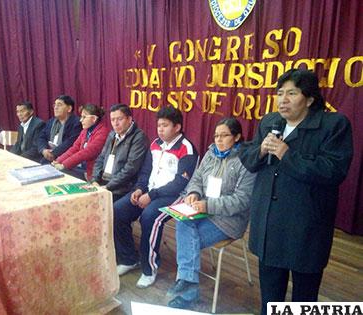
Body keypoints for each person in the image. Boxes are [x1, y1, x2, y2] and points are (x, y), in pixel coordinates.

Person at [239, 69, 353, 315]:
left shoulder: (333, 125)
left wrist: (286, 154)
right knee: (270, 299)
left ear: (309, 99)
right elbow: (248, 158)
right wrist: (260, 150)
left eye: (292, 93)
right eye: (280, 93)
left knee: (304, 299)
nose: (283, 100)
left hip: (306, 230)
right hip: (269, 226)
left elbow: (333, 171)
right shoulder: (270, 122)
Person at [166, 117, 256, 309]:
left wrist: (208, 205)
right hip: (203, 210)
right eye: (216, 136)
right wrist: (193, 193)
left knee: (188, 239)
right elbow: (196, 178)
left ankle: (188, 288)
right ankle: (189, 282)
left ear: (237, 137)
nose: (219, 140)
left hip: (229, 220)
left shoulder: (246, 161)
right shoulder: (210, 154)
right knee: (182, 222)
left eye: (224, 136)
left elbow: (242, 201)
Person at [114, 106, 198, 289]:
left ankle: (149, 269)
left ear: (177, 127)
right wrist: (138, 189)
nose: (160, 129)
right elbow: (145, 172)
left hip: (174, 196)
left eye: (165, 125)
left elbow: (180, 183)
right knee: (118, 210)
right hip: (150, 191)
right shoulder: (155, 144)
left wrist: (151, 196)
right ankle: (129, 259)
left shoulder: (187, 148)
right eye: (159, 125)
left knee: (149, 218)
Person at [91, 104, 148, 201]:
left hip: (121, 188)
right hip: (103, 182)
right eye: (112, 120)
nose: (115, 123)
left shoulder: (139, 137)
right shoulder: (112, 134)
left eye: (119, 119)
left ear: (129, 119)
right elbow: (101, 158)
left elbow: (131, 168)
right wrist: (95, 180)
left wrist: (108, 186)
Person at [52, 103, 109, 180]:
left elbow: (86, 153)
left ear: (94, 119)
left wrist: (64, 165)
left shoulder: (103, 132)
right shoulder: (85, 131)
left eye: (84, 117)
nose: (80, 120)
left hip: (94, 174)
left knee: (64, 172)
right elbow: (74, 148)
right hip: (83, 168)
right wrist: (58, 160)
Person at [37, 95, 82, 164]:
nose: (55, 107)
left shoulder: (77, 123)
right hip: (48, 157)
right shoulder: (51, 122)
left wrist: (53, 153)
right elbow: (41, 137)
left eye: (59, 105)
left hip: (66, 160)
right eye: (54, 105)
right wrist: (43, 150)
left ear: (69, 108)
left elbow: (70, 143)